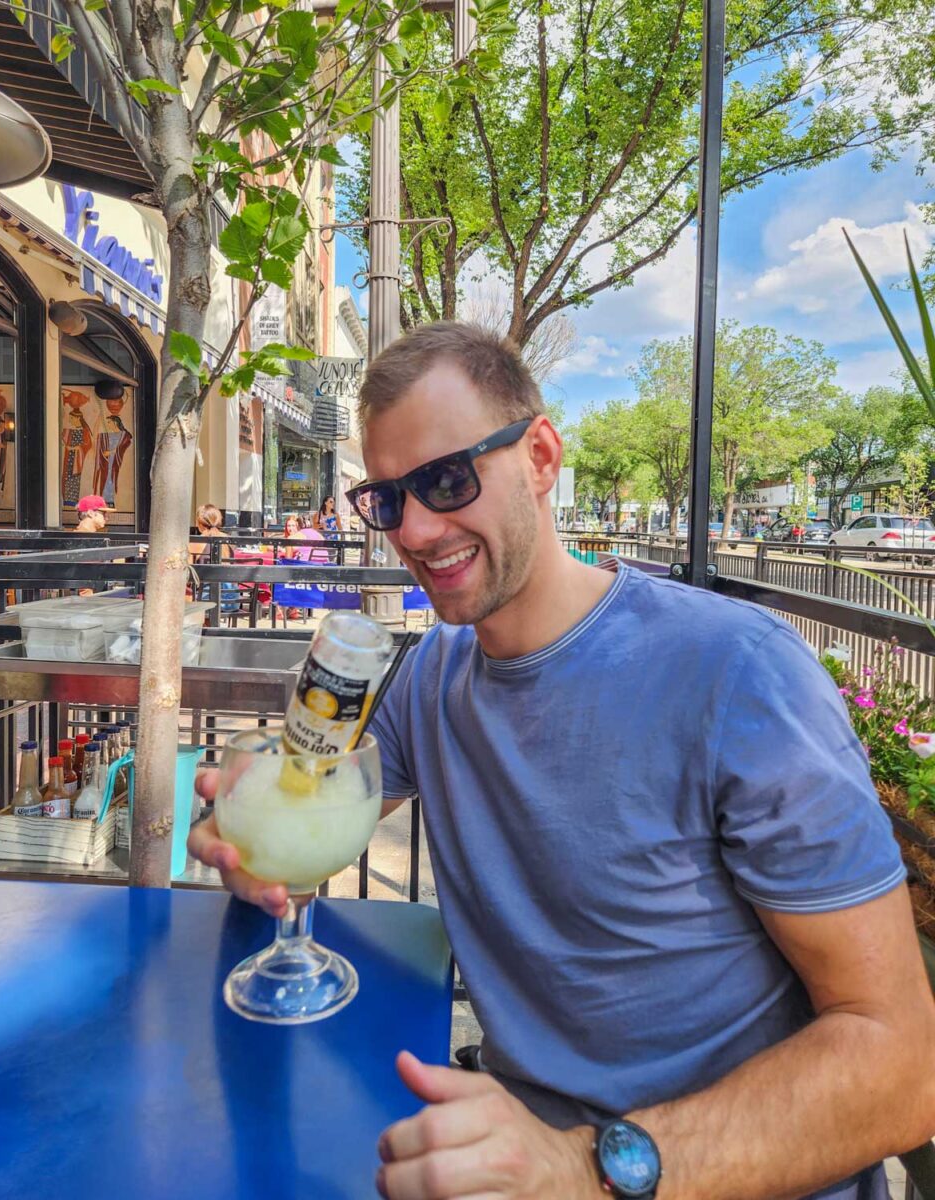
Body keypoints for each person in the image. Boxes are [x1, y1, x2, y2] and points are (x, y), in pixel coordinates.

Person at [189, 322, 935, 1200]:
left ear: (540, 456)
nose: (419, 530)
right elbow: (314, 807)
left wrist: (586, 1170)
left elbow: (903, 1066)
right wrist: (258, 852)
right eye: (388, 500)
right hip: (510, 1160)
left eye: (447, 480)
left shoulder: (739, 675)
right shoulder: (431, 678)